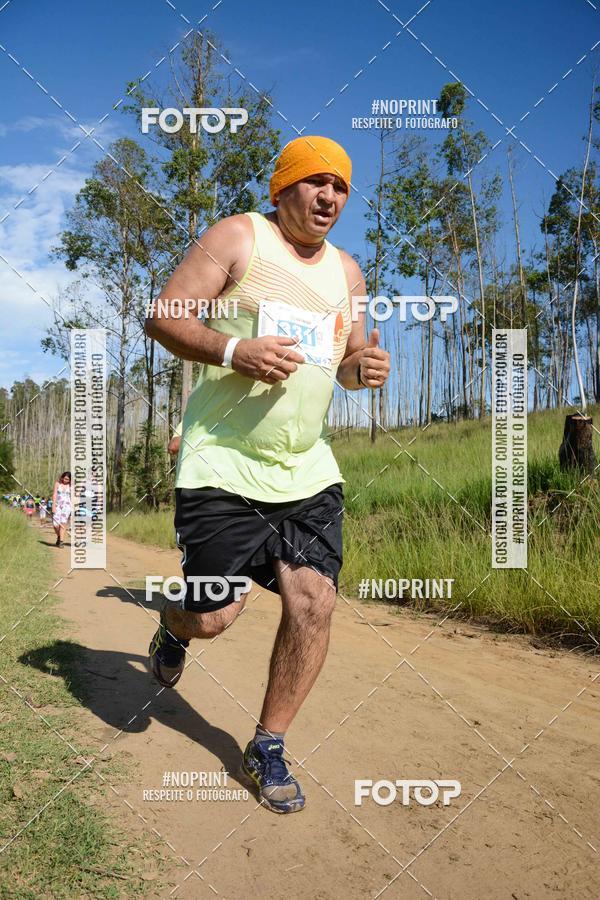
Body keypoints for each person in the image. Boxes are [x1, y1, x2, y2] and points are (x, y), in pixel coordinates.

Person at [145, 135, 390, 814]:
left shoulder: (348, 272)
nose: (329, 197)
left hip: (306, 469)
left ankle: (268, 743)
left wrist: (364, 370)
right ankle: (175, 626)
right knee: (216, 615)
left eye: (340, 187)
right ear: (282, 188)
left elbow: (346, 361)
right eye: (315, 182)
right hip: (222, 464)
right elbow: (163, 315)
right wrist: (235, 351)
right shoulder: (237, 237)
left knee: (314, 601)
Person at [51, 471, 72, 547]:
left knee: (63, 523)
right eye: (65, 478)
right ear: (62, 477)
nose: (65, 480)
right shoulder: (57, 484)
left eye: (67, 479)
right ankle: (59, 536)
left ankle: (61, 541)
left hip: (67, 506)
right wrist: (53, 505)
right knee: (55, 524)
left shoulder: (71, 486)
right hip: (57, 505)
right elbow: (54, 494)